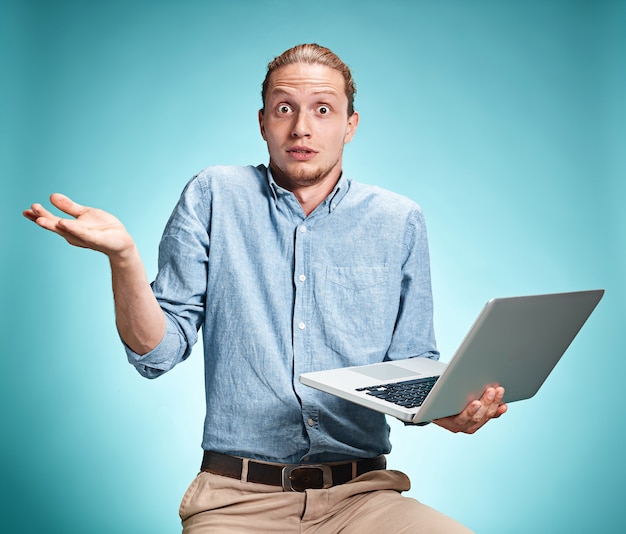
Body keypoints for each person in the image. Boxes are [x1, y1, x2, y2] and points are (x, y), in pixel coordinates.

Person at [24, 43, 507, 533]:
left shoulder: (399, 219)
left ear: (350, 125)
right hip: (236, 503)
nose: (302, 127)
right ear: (263, 122)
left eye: (323, 109)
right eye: (284, 108)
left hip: (362, 499)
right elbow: (159, 353)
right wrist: (123, 258)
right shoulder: (214, 194)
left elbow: (411, 365)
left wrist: (448, 410)